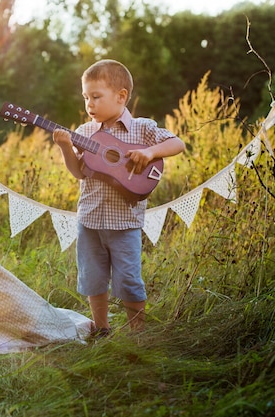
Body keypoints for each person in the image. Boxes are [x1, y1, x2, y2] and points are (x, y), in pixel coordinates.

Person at [53, 59, 185, 336]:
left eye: (96, 97)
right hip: (89, 220)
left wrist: (150, 153)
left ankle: (137, 333)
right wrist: (66, 147)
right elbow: (78, 172)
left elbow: (177, 143)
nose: (90, 104)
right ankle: (103, 329)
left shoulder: (142, 128)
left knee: (128, 279)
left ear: (121, 96)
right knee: (93, 278)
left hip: (125, 222)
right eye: (86, 97)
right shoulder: (84, 132)